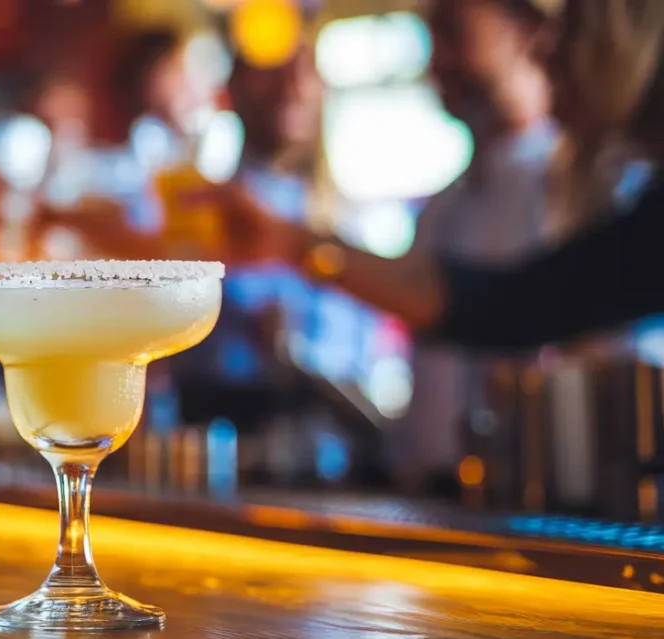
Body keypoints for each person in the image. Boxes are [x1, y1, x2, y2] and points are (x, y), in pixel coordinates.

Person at [219, 0, 664, 357]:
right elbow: (502, 303)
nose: (549, 50)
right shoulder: (448, 203)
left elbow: (513, 306)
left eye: (453, 32)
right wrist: (288, 242)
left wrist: (292, 244)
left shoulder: (604, 185)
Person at [389, 0, 563, 493]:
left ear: (528, 31)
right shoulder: (442, 208)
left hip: (552, 503)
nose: (436, 61)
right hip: (441, 501)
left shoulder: (585, 190)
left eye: (453, 33)